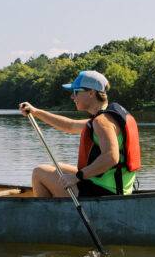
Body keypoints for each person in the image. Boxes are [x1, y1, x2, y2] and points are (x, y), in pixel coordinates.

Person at [19, 70, 141, 198]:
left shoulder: (102, 122)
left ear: (91, 93)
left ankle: (50, 215)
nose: (72, 97)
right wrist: (35, 112)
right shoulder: (106, 117)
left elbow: (111, 157)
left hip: (105, 192)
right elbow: (69, 125)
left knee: (39, 173)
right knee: (57, 166)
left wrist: (77, 177)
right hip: (112, 185)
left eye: (76, 92)